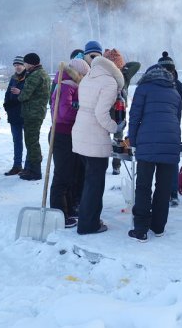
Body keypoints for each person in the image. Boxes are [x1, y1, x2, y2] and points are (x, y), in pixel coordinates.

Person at [72, 50, 125, 235]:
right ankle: (88, 225)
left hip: (80, 134)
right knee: (95, 185)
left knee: (89, 182)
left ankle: (90, 219)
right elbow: (101, 115)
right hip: (94, 137)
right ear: (115, 66)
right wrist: (116, 127)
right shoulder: (109, 82)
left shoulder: (89, 77)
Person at [127, 64, 182, 241]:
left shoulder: (143, 88)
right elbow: (177, 118)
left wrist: (133, 142)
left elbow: (135, 116)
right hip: (170, 143)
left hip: (147, 144)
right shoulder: (174, 92)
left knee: (143, 186)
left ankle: (141, 229)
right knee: (163, 187)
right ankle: (158, 226)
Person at [49, 58, 90, 229]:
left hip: (71, 135)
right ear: (78, 73)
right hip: (62, 135)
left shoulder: (72, 85)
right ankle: (59, 214)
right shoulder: (65, 85)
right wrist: (82, 111)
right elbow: (63, 113)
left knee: (72, 174)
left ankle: (69, 209)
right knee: (63, 175)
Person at [157, 51, 182, 207]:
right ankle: (161, 192)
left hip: (173, 129)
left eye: (170, 70)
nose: (168, 73)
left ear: (174, 70)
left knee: (172, 160)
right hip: (156, 130)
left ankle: (173, 193)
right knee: (157, 161)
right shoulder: (154, 85)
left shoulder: (178, 85)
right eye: (164, 70)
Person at [14, 53, 51, 181]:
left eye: (25, 63)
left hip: (32, 113)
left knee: (32, 142)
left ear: (30, 63)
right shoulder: (44, 74)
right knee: (32, 141)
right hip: (38, 112)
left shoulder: (34, 75)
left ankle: (35, 171)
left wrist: (19, 94)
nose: (24, 65)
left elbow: (25, 95)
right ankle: (30, 169)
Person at [104, 48, 141, 175]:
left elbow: (136, 65)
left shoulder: (124, 75)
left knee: (118, 139)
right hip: (106, 110)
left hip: (119, 110)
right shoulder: (105, 75)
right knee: (104, 138)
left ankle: (116, 165)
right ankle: (102, 164)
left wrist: (121, 66)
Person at [3, 56, 26, 175]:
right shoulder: (13, 78)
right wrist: (6, 104)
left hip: (26, 114)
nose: (17, 67)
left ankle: (29, 166)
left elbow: (31, 95)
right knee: (17, 141)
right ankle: (17, 165)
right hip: (14, 115)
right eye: (15, 65)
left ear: (24, 65)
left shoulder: (29, 77)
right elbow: (8, 93)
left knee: (29, 142)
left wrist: (20, 93)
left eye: (19, 65)